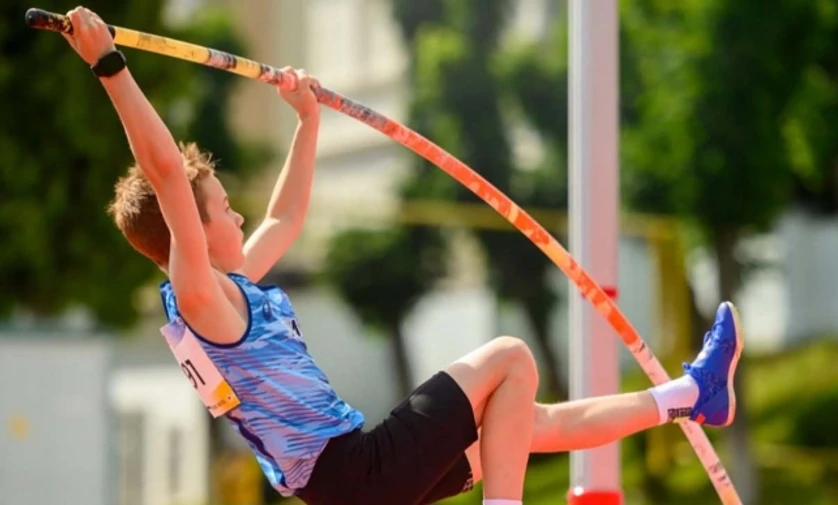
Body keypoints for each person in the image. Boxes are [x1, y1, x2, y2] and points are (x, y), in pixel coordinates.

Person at [61, 6, 744, 505]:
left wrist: (307, 119)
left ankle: (691, 395)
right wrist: (108, 65)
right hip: (356, 471)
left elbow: (284, 217)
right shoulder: (200, 297)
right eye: (222, 208)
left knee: (522, 423)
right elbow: (167, 174)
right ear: (190, 230)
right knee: (511, 355)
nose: (237, 214)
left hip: (354, 481)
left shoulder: (229, 290)